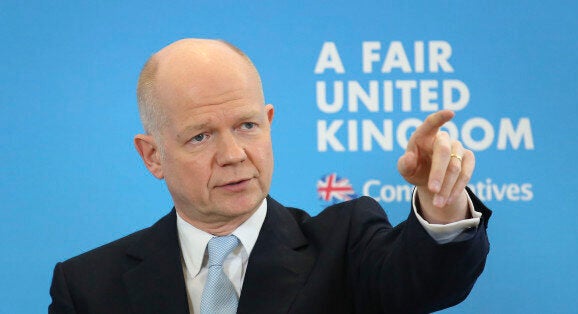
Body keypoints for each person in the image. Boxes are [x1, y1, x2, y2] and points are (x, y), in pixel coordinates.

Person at [49, 39, 491, 314]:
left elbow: (427, 282)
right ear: (153, 155)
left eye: (246, 126)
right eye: (201, 136)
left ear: (269, 121)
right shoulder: (88, 287)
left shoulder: (345, 244)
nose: (233, 155)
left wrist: (441, 198)